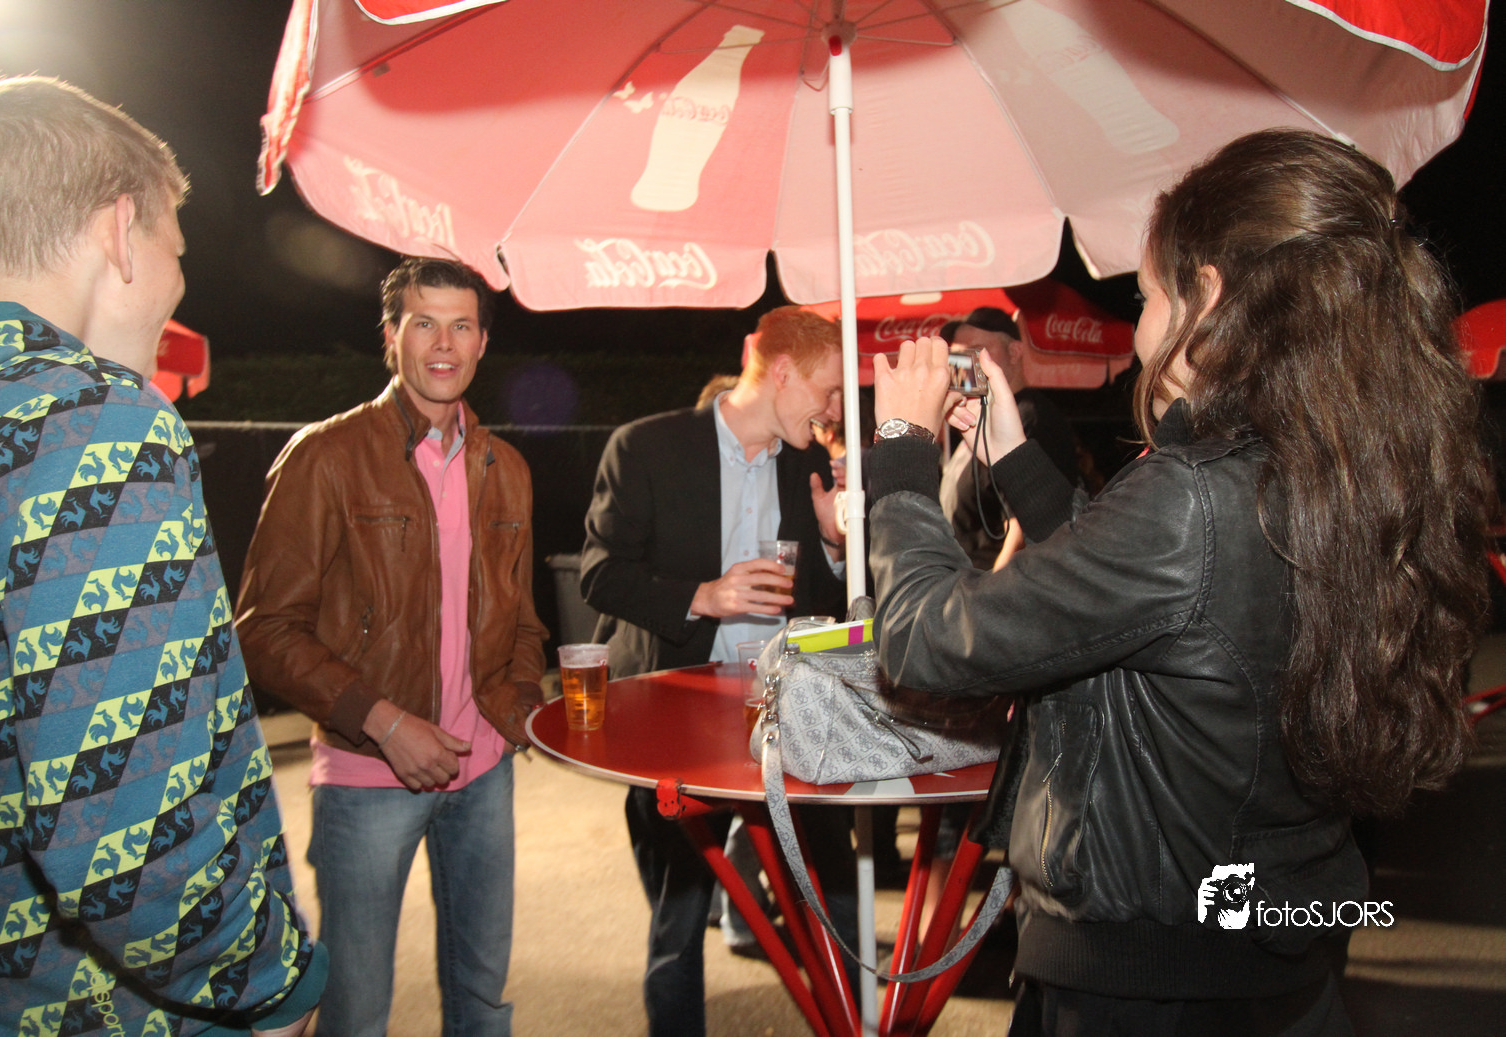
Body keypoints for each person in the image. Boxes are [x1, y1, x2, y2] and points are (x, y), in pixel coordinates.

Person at [866, 128, 1490, 1037]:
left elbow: (923, 638)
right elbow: (1153, 600)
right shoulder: (1337, 471)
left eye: (1148, 294)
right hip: (1279, 943)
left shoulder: (1193, 497)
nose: (1140, 324)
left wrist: (898, 451)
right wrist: (1013, 456)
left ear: (1210, 297)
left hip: (1147, 979)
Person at [0, 77, 324, 1036]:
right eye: (177, 251)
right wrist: (267, 979)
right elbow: (127, 846)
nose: (177, 286)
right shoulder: (88, 421)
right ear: (121, 228)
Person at [234, 257, 547, 1037]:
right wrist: (385, 721)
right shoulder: (325, 455)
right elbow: (263, 629)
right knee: (355, 1009)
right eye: (423, 323)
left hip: (484, 773)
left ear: (481, 343)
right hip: (368, 773)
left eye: (461, 325)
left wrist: (520, 708)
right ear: (390, 337)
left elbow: (523, 620)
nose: (444, 343)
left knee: (483, 1002)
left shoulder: (505, 467)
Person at [581, 304, 857, 1037]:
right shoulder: (647, 445)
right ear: (784, 371)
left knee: (832, 899)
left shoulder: (807, 465)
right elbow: (599, 575)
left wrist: (833, 546)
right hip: (677, 721)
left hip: (784, 716)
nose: (835, 411)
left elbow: (822, 606)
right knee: (677, 922)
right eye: (829, 390)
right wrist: (702, 596)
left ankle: (850, 1021)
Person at [936, 306, 1080, 570]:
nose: (964, 363)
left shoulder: (1031, 417)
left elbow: (1026, 526)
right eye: (956, 355)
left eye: (975, 351)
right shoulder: (975, 418)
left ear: (1014, 352)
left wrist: (993, 588)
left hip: (1000, 584)